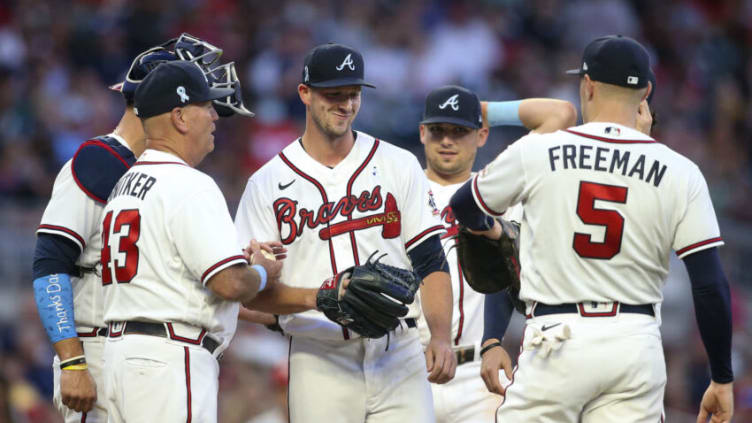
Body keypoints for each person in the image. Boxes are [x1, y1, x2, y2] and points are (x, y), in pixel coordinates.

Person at [450, 35, 734, 422]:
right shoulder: (680, 171)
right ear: (646, 92)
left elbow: (464, 205)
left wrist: (497, 233)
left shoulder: (540, 150)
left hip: (557, 339)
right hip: (635, 344)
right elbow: (710, 283)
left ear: (587, 85)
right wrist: (721, 378)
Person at [234, 42, 456, 423]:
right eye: (333, 95)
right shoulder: (266, 183)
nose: (345, 105)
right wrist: (317, 299)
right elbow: (249, 293)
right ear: (304, 93)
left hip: (398, 349)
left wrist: (439, 335)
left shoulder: (398, 164)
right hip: (317, 352)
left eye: (352, 95)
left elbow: (430, 257)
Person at [31, 33, 231, 422]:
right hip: (96, 352)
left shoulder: (162, 173)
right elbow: (48, 265)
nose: (211, 110)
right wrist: (72, 363)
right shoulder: (97, 161)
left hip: (137, 353)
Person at [98, 60, 283, 423]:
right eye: (206, 106)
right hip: (170, 358)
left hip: (120, 359)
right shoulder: (190, 184)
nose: (215, 116)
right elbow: (229, 283)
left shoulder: (123, 186)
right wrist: (262, 272)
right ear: (180, 117)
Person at [416, 85, 576, 422]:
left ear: (482, 134)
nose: (447, 140)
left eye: (460, 131)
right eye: (438, 130)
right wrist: (466, 112)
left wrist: (478, 107)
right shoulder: (401, 187)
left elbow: (559, 115)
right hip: (408, 366)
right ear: (422, 133)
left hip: (479, 371)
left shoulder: (497, 186)